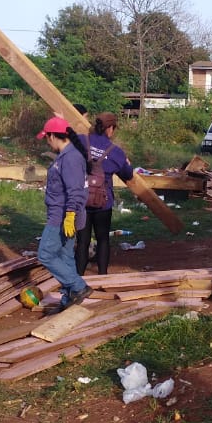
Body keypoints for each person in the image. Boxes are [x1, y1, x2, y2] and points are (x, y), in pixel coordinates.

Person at [37, 116, 93, 313]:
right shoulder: (69, 155)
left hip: (61, 217)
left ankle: (78, 287)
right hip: (65, 216)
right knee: (65, 256)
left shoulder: (70, 158)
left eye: (47, 137)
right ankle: (68, 301)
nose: (47, 141)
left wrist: (69, 216)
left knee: (45, 254)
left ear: (53, 136)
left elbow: (75, 191)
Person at [75, 113, 135, 275]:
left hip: (81, 198)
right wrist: (127, 164)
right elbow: (128, 174)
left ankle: (78, 276)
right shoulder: (116, 152)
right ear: (110, 128)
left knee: (82, 241)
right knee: (102, 239)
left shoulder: (81, 140)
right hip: (103, 201)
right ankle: (102, 275)